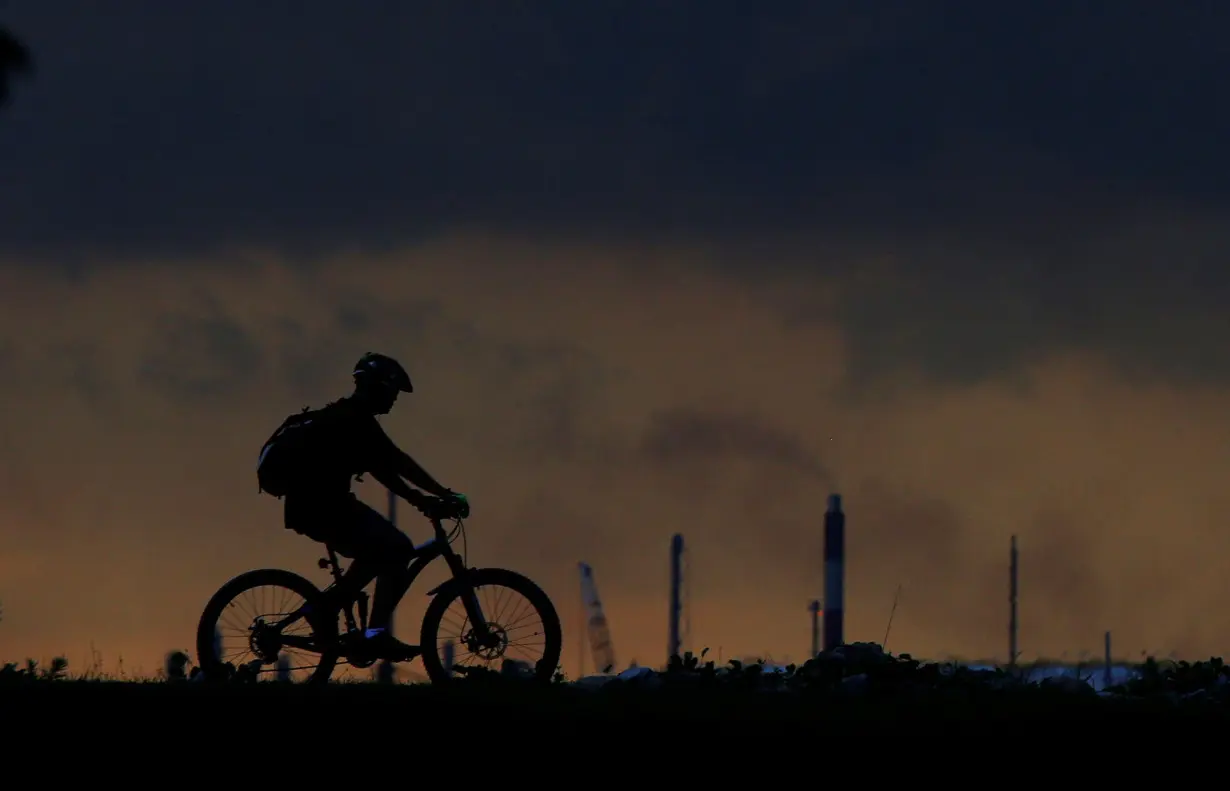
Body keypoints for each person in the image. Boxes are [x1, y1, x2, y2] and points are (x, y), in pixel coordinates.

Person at [259, 351, 470, 661]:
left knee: (382, 551)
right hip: (323, 507)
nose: (395, 400)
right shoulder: (354, 420)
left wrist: (422, 499)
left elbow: (385, 469)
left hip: (316, 506)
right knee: (397, 548)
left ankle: (327, 611)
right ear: (379, 386)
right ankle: (373, 634)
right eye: (393, 391)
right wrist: (441, 494)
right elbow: (397, 463)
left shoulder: (349, 417)